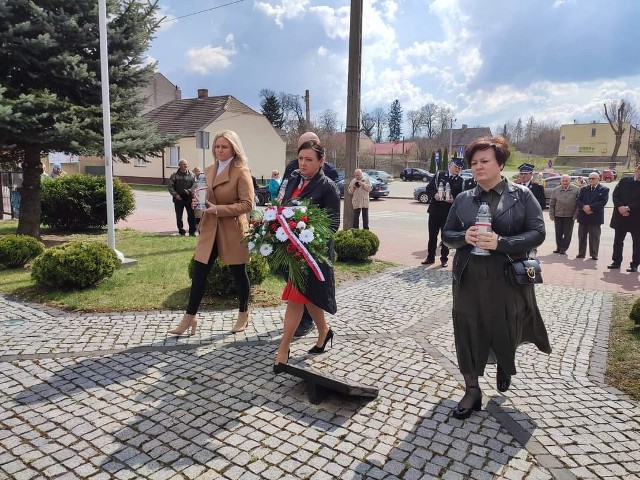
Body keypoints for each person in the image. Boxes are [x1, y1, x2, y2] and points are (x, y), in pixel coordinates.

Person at [442, 136, 551, 420]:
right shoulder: (465, 198)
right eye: (474, 162)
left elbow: (538, 233)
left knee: (506, 325)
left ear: (500, 164)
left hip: (507, 279)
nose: (478, 167)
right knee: (466, 329)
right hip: (468, 279)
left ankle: (505, 364)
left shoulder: (522, 195)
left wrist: (500, 242)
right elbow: (447, 235)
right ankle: (471, 389)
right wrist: (464, 237)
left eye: (484, 161)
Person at [167, 130, 254, 335]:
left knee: (238, 273)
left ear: (234, 148)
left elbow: (248, 204)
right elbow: (204, 196)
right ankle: (190, 317)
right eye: (217, 146)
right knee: (199, 273)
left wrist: (218, 209)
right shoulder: (208, 169)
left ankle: (244, 312)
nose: (219, 150)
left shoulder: (242, 171)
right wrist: (198, 200)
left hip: (232, 228)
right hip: (210, 228)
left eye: (224, 146)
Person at [273, 139, 340, 373]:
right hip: (293, 253)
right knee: (307, 298)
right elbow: (282, 206)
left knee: (296, 298)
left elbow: (333, 225)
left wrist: (307, 230)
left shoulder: (328, 187)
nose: (302, 163)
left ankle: (283, 350)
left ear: (321, 162)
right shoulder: (292, 179)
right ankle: (324, 331)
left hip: (314, 255)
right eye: (300, 158)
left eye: (309, 159)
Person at [421, 157, 464, 267]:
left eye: (459, 168)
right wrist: (434, 194)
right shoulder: (440, 174)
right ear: (450, 165)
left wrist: (453, 200)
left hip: (448, 213)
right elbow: (428, 188)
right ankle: (430, 257)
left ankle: (444, 259)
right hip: (435, 211)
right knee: (432, 236)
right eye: (455, 167)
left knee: (445, 236)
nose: (457, 170)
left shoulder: (460, 181)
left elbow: (461, 198)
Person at [608, 164, 640, 273]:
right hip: (620, 216)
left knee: (637, 243)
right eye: (639, 170)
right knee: (618, 241)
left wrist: (628, 208)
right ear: (636, 170)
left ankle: (634, 264)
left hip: (636, 218)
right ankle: (616, 262)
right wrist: (620, 207)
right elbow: (615, 195)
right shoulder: (624, 180)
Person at [575, 172, 609, 261]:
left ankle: (594, 254)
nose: (591, 180)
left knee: (594, 237)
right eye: (590, 178)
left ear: (598, 179)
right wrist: (584, 207)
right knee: (582, 236)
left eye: (593, 178)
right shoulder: (584, 189)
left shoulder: (604, 189)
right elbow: (578, 200)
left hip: (595, 216)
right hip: (583, 216)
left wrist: (590, 207)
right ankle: (581, 253)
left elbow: (603, 202)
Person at [548, 174, 579, 255]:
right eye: (563, 181)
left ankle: (564, 248)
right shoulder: (556, 190)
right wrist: (551, 214)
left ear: (570, 181)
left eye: (566, 181)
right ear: (560, 181)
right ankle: (559, 247)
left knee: (567, 233)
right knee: (558, 233)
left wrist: (576, 214)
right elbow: (552, 203)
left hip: (569, 215)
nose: (565, 182)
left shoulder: (576, 189)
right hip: (558, 215)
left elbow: (578, 204)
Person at [168, 159, 196, 236]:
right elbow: (170, 186)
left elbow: (195, 185)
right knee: (179, 216)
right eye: (183, 164)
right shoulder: (174, 175)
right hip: (178, 199)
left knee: (191, 215)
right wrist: (176, 195)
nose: (185, 166)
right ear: (179, 165)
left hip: (189, 199)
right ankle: (181, 231)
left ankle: (192, 231)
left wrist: (189, 191)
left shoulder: (191, 175)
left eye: (186, 164)